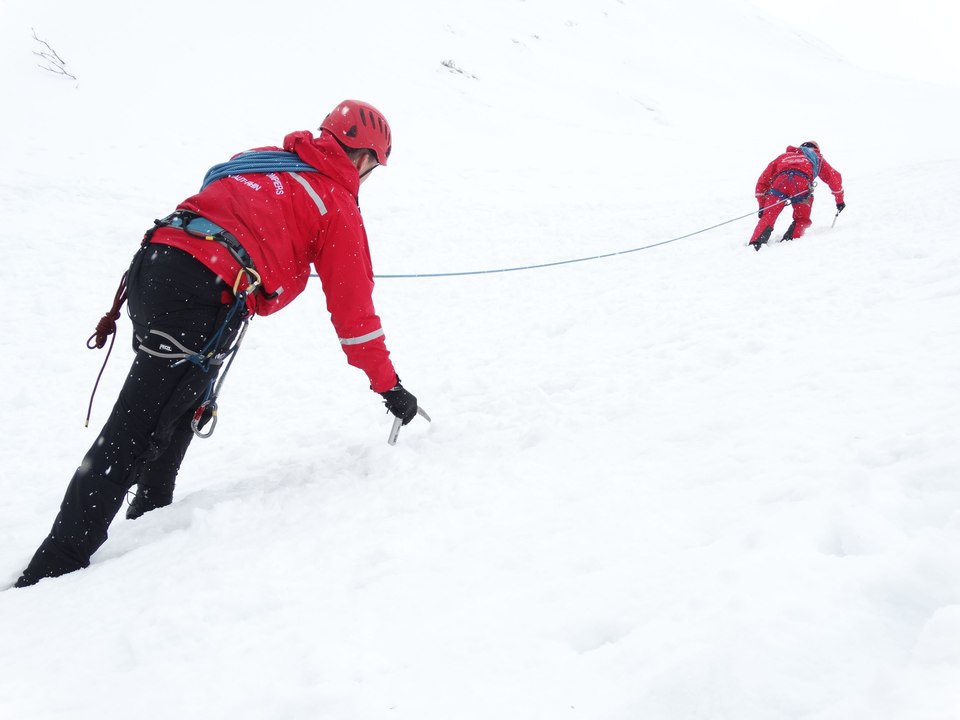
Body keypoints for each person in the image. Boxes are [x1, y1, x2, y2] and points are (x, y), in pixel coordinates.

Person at [14, 99, 421, 588]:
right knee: (136, 428)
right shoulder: (336, 203)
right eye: (373, 166)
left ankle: (149, 520)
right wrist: (388, 385)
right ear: (363, 158)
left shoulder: (266, 158)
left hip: (154, 266)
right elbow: (355, 316)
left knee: (181, 401)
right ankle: (50, 572)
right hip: (204, 291)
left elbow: (219, 189)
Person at [748, 141, 845, 250]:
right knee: (802, 219)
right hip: (801, 184)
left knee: (768, 215)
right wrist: (840, 201)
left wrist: (762, 206)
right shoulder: (816, 157)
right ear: (816, 149)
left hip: (779, 183)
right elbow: (834, 178)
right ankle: (790, 241)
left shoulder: (783, 157)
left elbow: (763, 181)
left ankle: (756, 243)